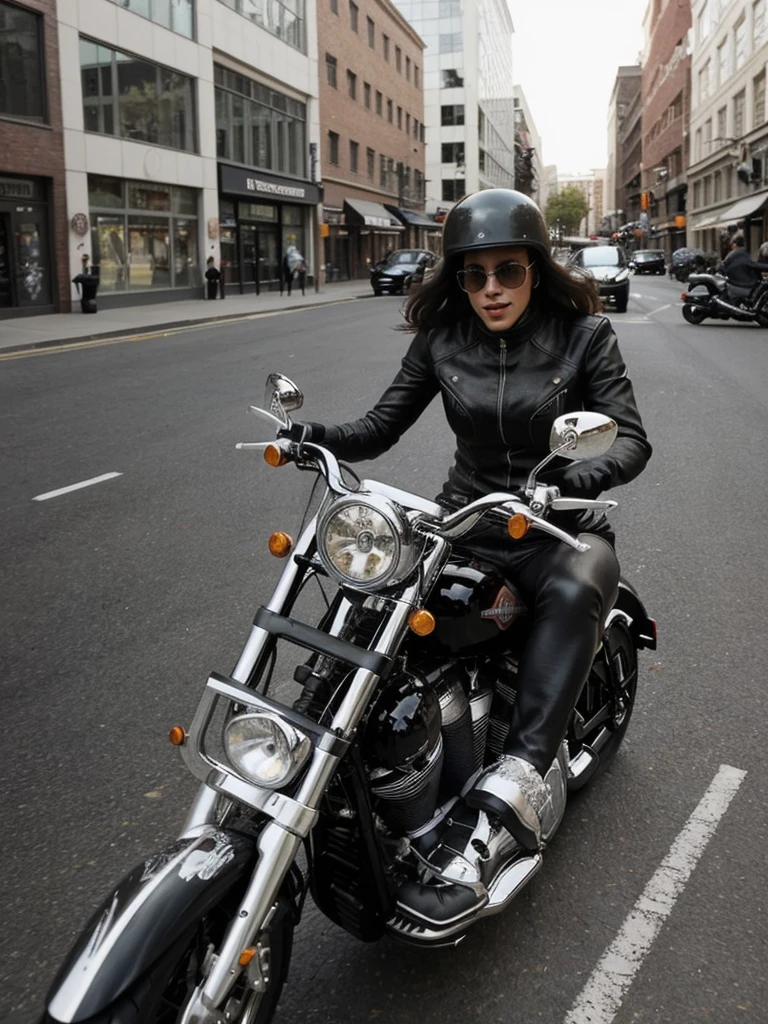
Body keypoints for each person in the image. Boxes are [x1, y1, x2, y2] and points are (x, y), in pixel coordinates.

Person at [282, 189, 651, 851]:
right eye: (473, 274)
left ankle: (525, 768)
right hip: (466, 521)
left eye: (508, 270)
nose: (491, 288)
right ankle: (335, 741)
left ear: (535, 268)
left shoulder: (585, 335)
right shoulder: (442, 340)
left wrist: (573, 476)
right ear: (458, 279)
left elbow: (629, 439)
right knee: (372, 591)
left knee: (573, 588)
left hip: (557, 527)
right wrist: (308, 436)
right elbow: (378, 426)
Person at [718, 235, 768, 305]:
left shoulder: (736, 254)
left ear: (734, 245)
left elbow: (753, 264)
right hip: (741, 284)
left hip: (737, 282)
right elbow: (752, 264)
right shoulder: (739, 254)